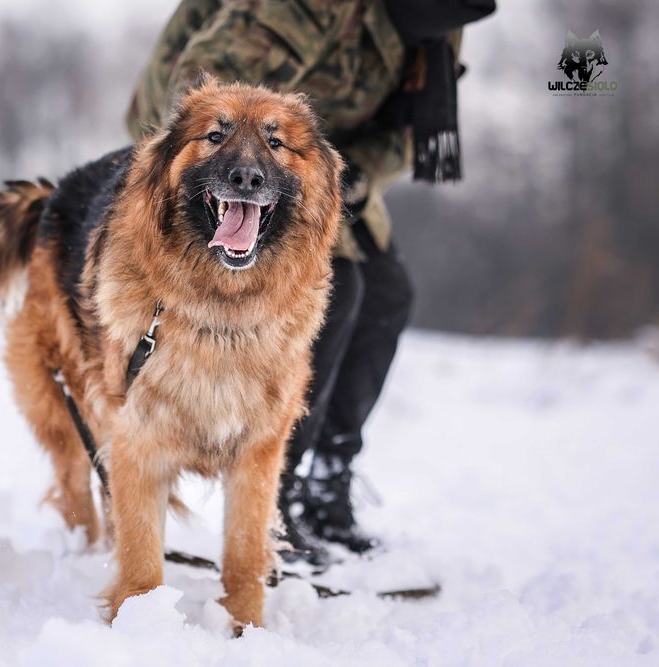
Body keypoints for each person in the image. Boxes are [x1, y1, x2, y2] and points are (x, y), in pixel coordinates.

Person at [127, 0, 496, 561]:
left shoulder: (440, 26)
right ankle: (279, 495)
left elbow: (405, 131)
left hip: (317, 168)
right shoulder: (310, 7)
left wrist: (343, 179)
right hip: (215, 153)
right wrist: (283, 167)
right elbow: (205, 96)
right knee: (340, 289)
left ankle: (326, 482)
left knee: (389, 296)